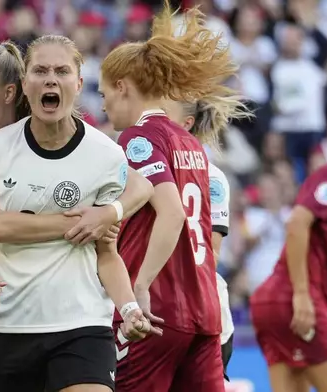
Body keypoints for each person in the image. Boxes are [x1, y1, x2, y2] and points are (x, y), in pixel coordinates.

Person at [0, 41, 155, 392]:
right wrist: (82, 222)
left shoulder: (103, 153)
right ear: (26, 83)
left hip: (79, 323)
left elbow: (137, 191)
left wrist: (111, 212)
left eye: (61, 71)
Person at [98, 1, 239, 391]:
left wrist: (139, 287)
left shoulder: (139, 137)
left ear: (123, 87)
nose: (103, 103)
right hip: (205, 311)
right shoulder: (190, 142)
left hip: (157, 311)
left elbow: (173, 213)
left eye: (104, 91)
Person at [165, 96, 253, 381]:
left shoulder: (211, 177)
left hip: (199, 305)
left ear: (185, 124)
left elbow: (211, 253)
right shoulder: (150, 164)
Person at [250, 157, 327, 392]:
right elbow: (296, 223)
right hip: (293, 300)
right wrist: (302, 294)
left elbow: (321, 244)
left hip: (276, 300)